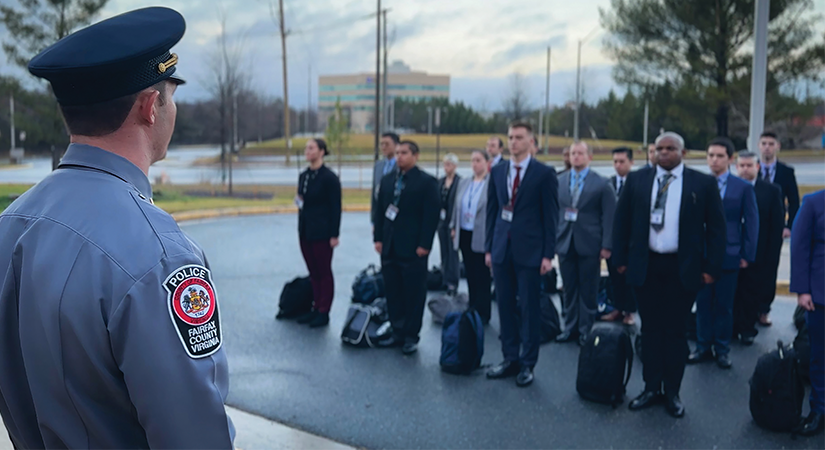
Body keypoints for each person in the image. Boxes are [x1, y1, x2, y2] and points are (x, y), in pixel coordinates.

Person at [0, 7, 236, 448]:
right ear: (150, 107)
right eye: (171, 94)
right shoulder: (160, 255)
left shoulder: (9, 225)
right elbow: (194, 436)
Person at [613, 132, 725, 418]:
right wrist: (620, 261)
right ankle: (651, 387)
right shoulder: (637, 181)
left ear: (683, 152)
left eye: (670, 148)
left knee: (675, 332)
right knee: (649, 330)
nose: (663, 153)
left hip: (682, 269)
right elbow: (621, 222)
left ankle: (672, 391)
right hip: (646, 266)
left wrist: (711, 268)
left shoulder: (703, 183)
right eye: (658, 148)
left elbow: (716, 229)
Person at [485, 122, 559, 387]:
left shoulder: (544, 174)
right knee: (504, 306)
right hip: (502, 249)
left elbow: (551, 218)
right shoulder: (499, 171)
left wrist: (548, 255)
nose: (513, 142)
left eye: (519, 138)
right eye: (510, 137)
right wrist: (489, 249)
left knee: (529, 308)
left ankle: (528, 363)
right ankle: (509, 358)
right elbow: (492, 212)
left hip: (530, 251)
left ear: (531, 142)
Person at [689, 138, 758, 369]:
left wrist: (747, 254)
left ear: (730, 159)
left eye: (719, 156)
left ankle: (722, 349)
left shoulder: (743, 188)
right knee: (703, 302)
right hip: (702, 254)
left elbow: (751, 223)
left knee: (724, 305)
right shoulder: (697, 184)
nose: (714, 160)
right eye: (710, 155)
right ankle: (702, 346)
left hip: (730, 253)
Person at [373, 140, 440, 355]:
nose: (399, 156)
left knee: (414, 292)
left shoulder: (427, 182)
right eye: (398, 152)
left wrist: (425, 244)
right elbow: (380, 211)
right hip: (390, 246)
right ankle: (397, 330)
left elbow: (431, 216)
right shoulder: (387, 181)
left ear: (415, 155)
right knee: (393, 290)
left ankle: (411, 335)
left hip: (413, 248)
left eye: (404, 153)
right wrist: (379, 238)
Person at [555, 142, 616, 345]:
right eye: (573, 153)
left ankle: (586, 329)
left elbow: (609, 216)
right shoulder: (560, 181)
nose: (576, 157)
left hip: (590, 243)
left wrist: (607, 245)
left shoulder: (601, 183)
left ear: (589, 157)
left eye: (580, 153)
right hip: (565, 241)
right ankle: (570, 327)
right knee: (569, 287)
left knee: (589, 289)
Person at [732, 151, 784, 345]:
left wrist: (770, 256)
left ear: (757, 167)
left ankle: (746, 329)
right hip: (733, 250)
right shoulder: (729, 187)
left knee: (751, 293)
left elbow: (776, 226)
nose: (745, 169)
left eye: (749, 165)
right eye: (742, 166)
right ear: (736, 167)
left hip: (759, 252)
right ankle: (731, 328)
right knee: (733, 292)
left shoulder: (771, 191)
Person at [295, 138, 342, 328]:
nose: (307, 151)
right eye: (306, 148)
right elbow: (300, 201)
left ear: (322, 151)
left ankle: (324, 310)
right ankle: (315, 306)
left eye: (311, 148)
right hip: (305, 230)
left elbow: (335, 207)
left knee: (324, 271)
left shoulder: (329, 177)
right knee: (313, 271)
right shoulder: (304, 176)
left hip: (322, 232)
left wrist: (334, 234)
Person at [790, 189, 825, 437]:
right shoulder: (813, 203)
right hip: (821, 294)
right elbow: (799, 245)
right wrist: (803, 290)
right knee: (820, 356)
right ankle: (819, 409)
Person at [758, 131, 800, 326]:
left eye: (770, 143)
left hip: (775, 228)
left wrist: (789, 226)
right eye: (764, 143)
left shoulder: (786, 172)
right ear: (759, 146)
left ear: (777, 146)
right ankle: (748, 309)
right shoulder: (751, 168)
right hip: (752, 227)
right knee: (750, 269)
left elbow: (793, 201)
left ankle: (764, 309)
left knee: (769, 268)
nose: (767, 147)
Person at [450, 150, 492, 323]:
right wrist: (453, 226)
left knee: (482, 273)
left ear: (487, 163)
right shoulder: (465, 182)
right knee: (469, 271)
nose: (475, 164)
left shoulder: (491, 184)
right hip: (464, 231)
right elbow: (456, 205)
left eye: (478, 160)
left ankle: (483, 310)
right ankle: (472, 304)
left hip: (482, 233)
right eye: (472, 160)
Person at [603, 146, 637, 325]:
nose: (618, 165)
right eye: (615, 161)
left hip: (631, 239)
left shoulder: (637, 183)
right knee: (614, 275)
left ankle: (630, 311)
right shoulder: (608, 183)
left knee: (629, 277)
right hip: (613, 237)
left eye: (622, 161)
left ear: (631, 162)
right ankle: (617, 308)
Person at [437, 153, 461, 293]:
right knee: (444, 251)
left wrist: (455, 225)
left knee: (453, 253)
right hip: (442, 221)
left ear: (455, 166)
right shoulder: (440, 182)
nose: (447, 167)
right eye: (445, 164)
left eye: (449, 164)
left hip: (453, 222)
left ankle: (453, 281)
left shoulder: (459, 182)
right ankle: (444, 279)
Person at [372, 132, 400, 222]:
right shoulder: (378, 166)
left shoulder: (401, 166)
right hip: (380, 214)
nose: (384, 147)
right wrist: (373, 220)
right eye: (382, 144)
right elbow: (374, 194)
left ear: (396, 145)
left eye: (387, 144)